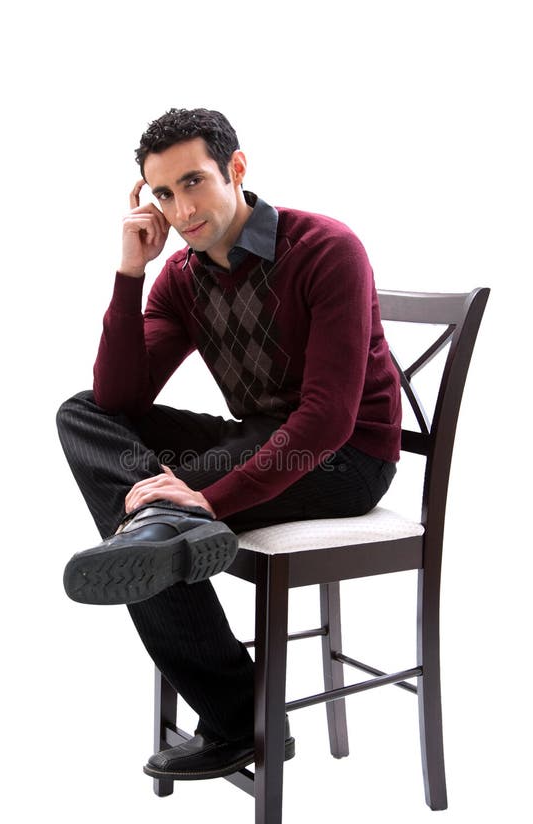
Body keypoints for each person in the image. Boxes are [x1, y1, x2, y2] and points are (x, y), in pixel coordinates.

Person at [56, 107, 401, 781]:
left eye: (192, 183)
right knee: (80, 413)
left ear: (235, 169)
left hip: (346, 457)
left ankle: (236, 715)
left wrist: (208, 501)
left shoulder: (326, 248)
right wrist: (130, 273)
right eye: (162, 194)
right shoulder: (181, 276)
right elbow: (120, 400)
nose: (181, 209)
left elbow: (328, 418)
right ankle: (160, 528)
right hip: (258, 439)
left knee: (154, 522)